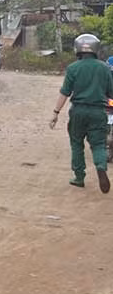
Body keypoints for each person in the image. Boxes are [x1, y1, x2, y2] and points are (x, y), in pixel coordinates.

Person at [50, 34, 113, 193]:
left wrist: (56, 113)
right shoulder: (105, 68)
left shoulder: (73, 68)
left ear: (77, 49)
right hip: (98, 111)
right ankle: (101, 166)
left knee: (77, 143)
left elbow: (65, 93)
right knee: (98, 144)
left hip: (78, 111)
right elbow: (111, 93)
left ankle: (79, 177)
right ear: (96, 49)